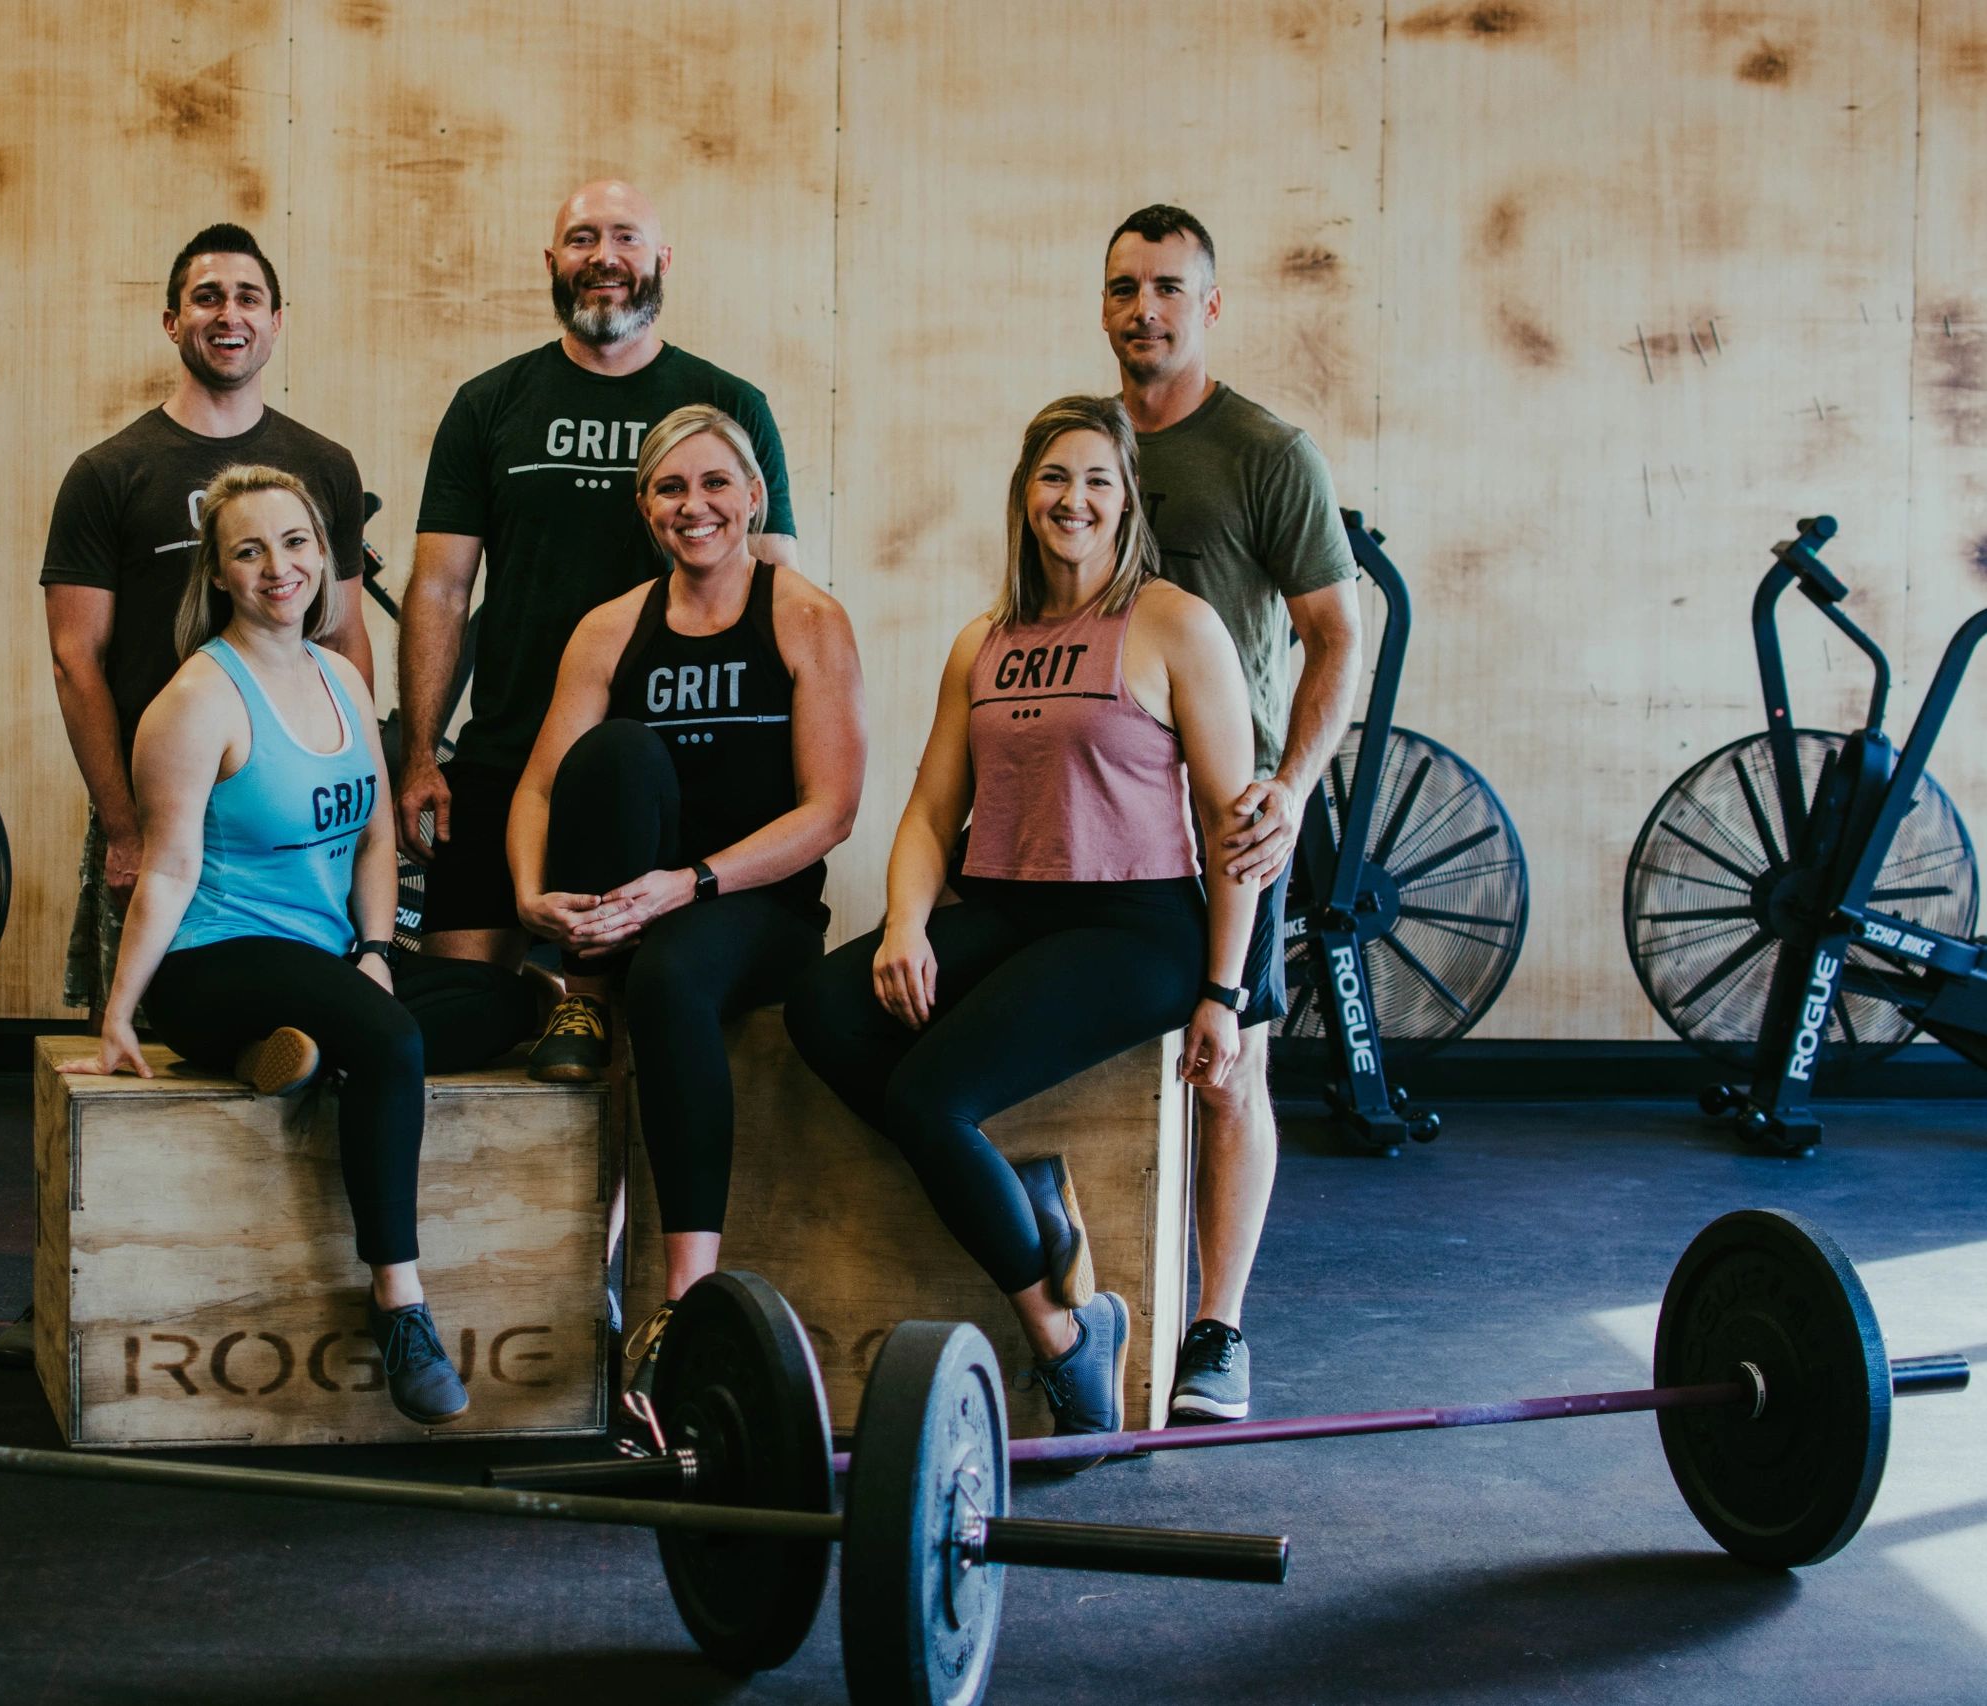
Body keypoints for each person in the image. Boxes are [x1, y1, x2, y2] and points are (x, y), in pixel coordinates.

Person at [785, 395, 1257, 1469]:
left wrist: (1224, 990)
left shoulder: (1174, 622)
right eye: (1054, 477)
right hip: (1003, 902)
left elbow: (1233, 825)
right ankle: (1026, 1204)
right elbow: (926, 809)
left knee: (926, 1093)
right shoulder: (985, 641)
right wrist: (905, 918)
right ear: (1024, 494)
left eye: (1097, 478)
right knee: (821, 1005)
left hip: (1134, 921)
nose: (1074, 499)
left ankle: (1061, 1330)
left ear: (1128, 498)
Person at [58, 467, 466, 1428]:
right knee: (395, 1043)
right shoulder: (198, 699)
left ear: (323, 556)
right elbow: (164, 871)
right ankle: (400, 1303)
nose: (277, 566)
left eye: (293, 542)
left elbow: (372, 838)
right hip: (215, 959)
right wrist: (120, 1013)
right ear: (221, 572)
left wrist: (374, 948)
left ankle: (298, 1053)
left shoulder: (342, 676)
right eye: (249, 549)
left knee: (498, 1003)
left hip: (326, 959)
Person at [506, 406, 864, 1415]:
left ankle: (684, 1304)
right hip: (635, 896)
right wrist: (537, 898)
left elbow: (831, 809)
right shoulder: (612, 626)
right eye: (670, 488)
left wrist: (694, 882)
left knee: (667, 979)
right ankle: (577, 984)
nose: (693, 505)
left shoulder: (805, 615)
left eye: (715, 484)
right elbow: (539, 788)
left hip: (757, 908)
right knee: (614, 753)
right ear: (645, 508)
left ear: (754, 495)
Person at [395, 179, 797, 1072]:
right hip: (506, 757)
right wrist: (422, 753)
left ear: (661, 260)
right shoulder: (488, 403)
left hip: (666, 775)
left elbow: (774, 592)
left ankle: (571, 1021)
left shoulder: (728, 403)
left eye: (624, 237)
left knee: (625, 1023)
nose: (603, 257)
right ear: (552, 262)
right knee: (464, 1004)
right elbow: (440, 592)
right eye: (581, 239)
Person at [1100, 205, 1363, 1425]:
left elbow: (1334, 633)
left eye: (1167, 287)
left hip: (1222, 814)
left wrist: (1292, 790)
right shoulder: (1085, 446)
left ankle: (1218, 1329)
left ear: (1210, 305)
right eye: (1122, 288)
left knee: (1227, 1064)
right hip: (1099, 805)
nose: (1142, 308)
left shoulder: (1266, 449)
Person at [43, 222, 372, 1020]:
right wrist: (124, 828)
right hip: (163, 806)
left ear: (276, 320)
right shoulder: (108, 475)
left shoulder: (323, 465)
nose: (230, 313)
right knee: (151, 1027)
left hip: (285, 805)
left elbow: (343, 634)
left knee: (304, 1003)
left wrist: (362, 789)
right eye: (207, 297)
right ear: (171, 321)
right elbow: (74, 658)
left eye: (249, 297)